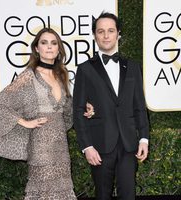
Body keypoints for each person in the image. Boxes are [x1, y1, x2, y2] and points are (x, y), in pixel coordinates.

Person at [0, 27, 93, 200]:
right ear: (36, 48)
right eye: (44, 42)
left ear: (58, 49)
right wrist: (24, 121)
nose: (49, 47)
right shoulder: (28, 75)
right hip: (40, 146)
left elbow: (67, 108)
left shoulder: (61, 75)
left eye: (53, 43)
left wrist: (83, 106)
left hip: (60, 147)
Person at [73, 12, 150, 200]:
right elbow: (78, 109)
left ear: (118, 34)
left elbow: (140, 105)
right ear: (94, 35)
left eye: (110, 31)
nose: (106, 36)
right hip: (99, 145)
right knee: (102, 195)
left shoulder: (132, 66)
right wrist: (87, 146)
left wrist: (144, 139)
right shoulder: (85, 69)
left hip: (128, 143)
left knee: (128, 195)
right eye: (101, 31)